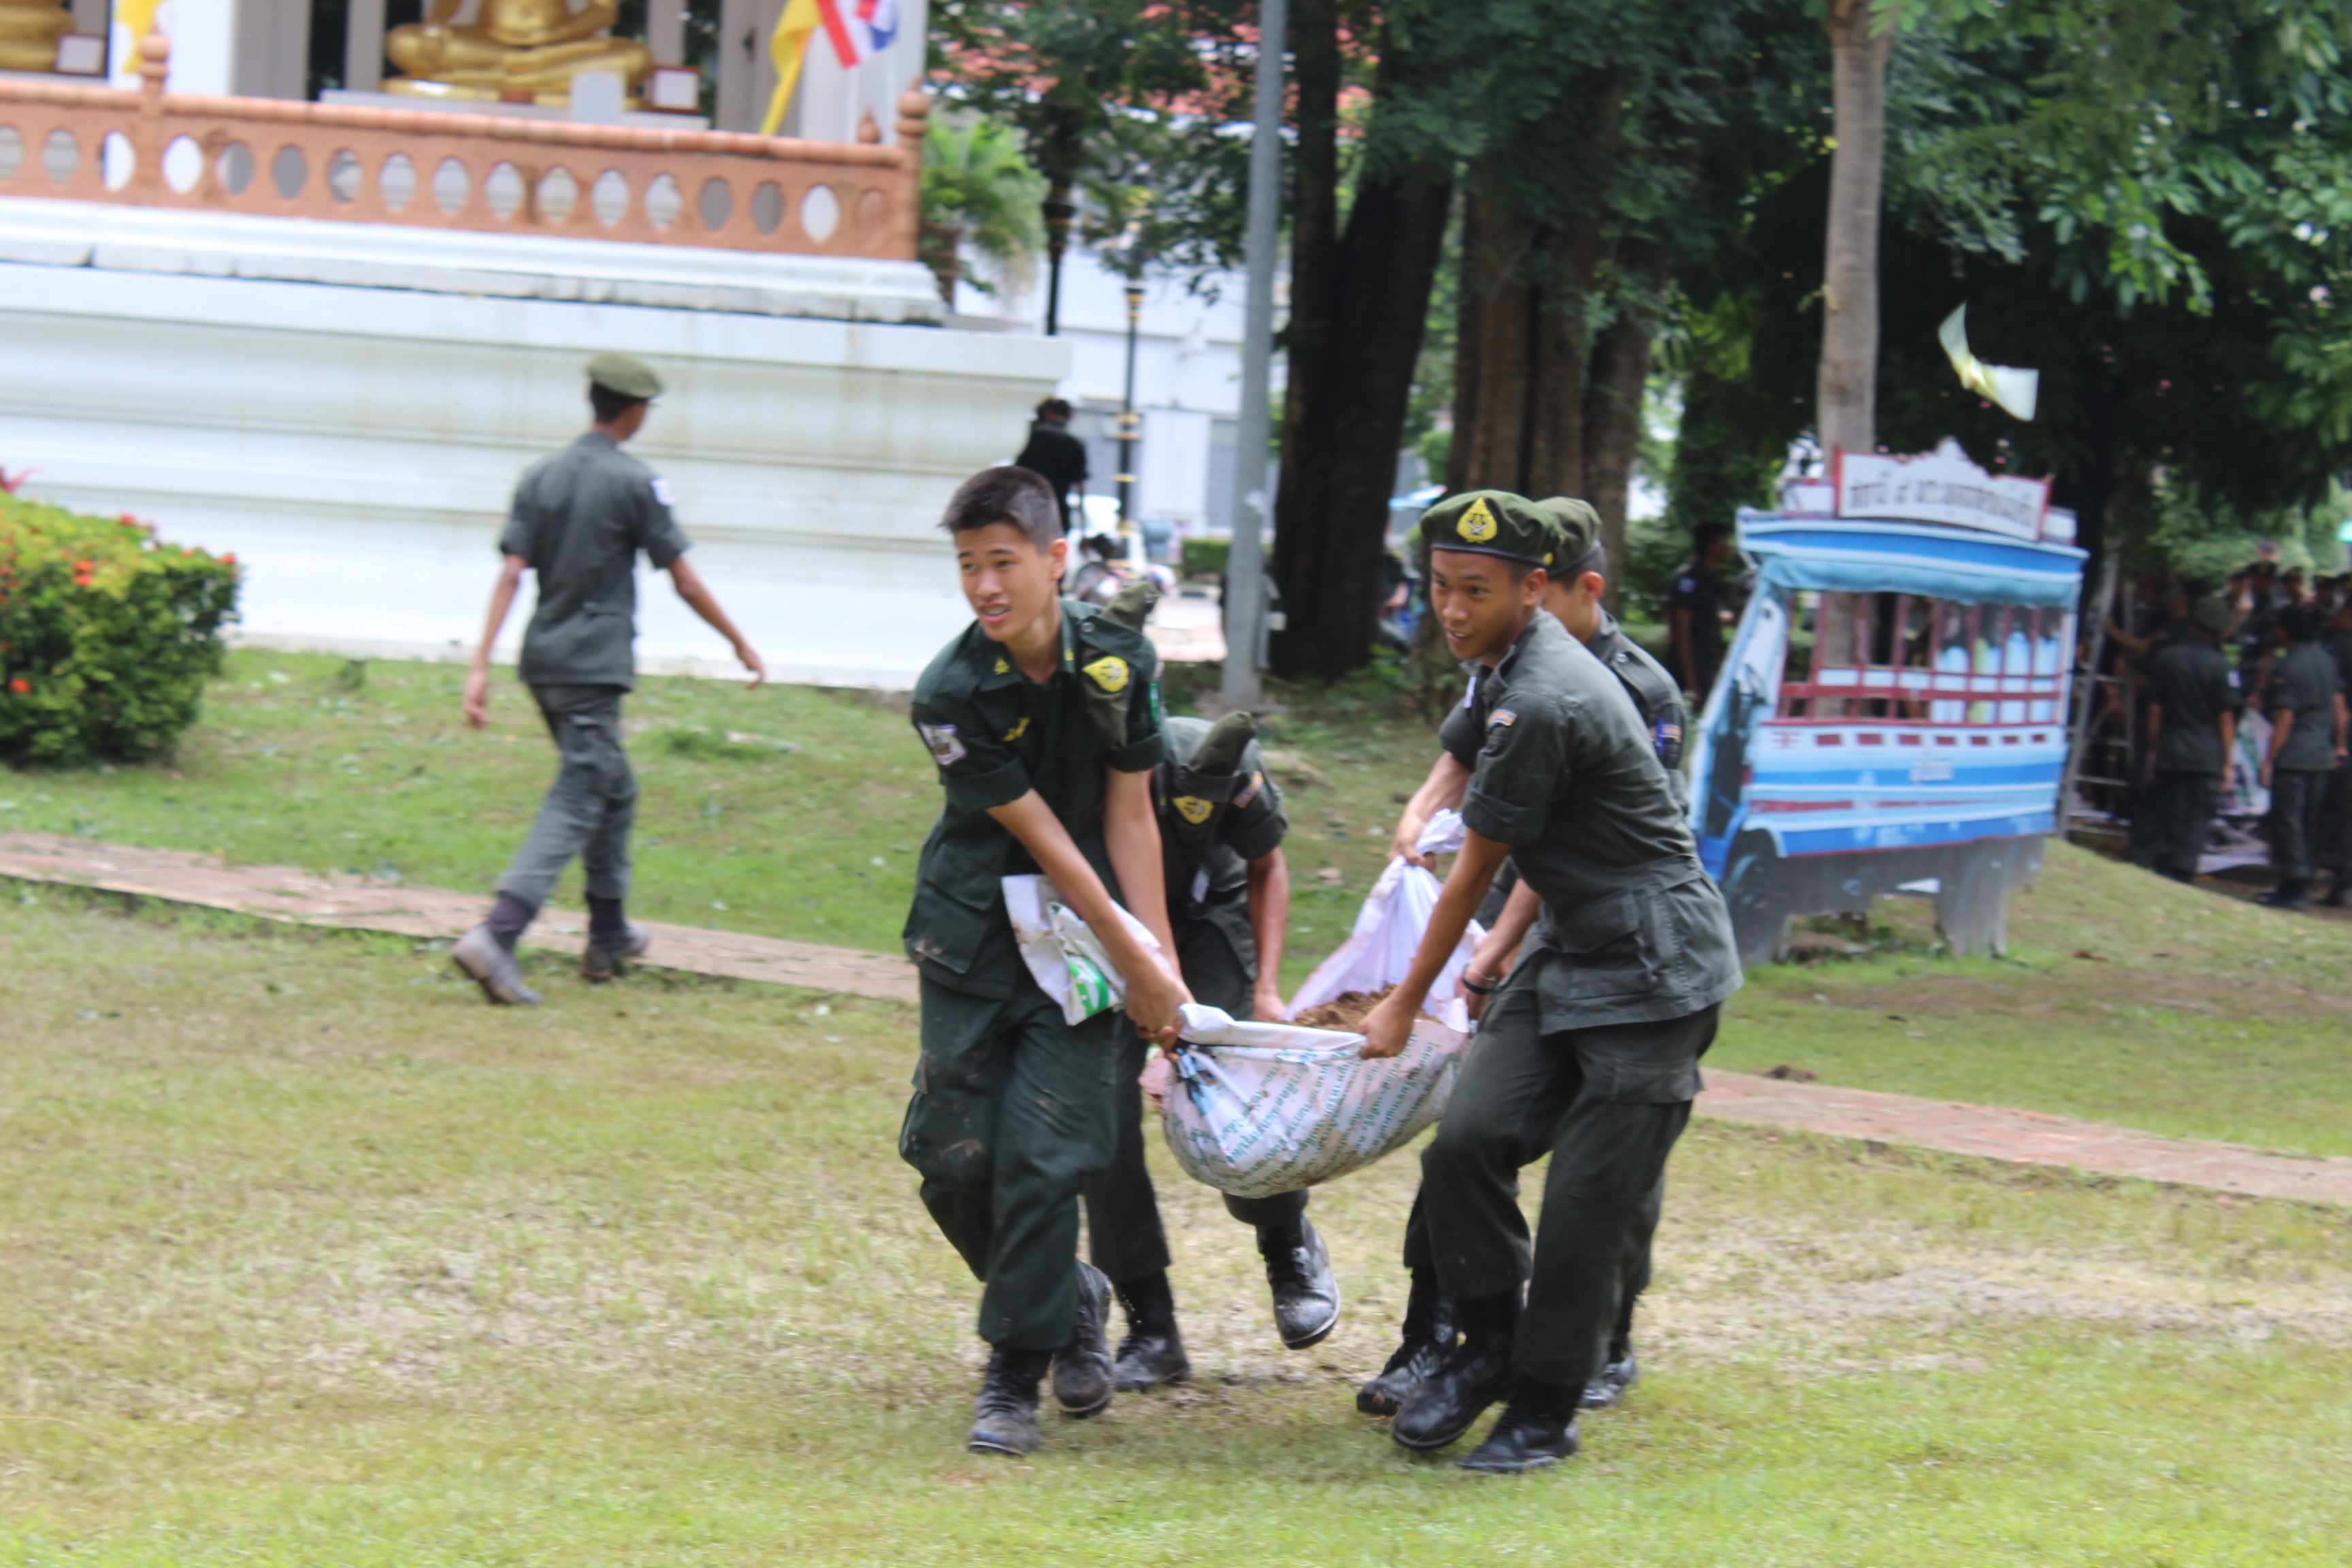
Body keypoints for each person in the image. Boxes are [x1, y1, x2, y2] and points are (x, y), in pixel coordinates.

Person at [1360, 490, 1742, 1473]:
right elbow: (1501, 823)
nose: (1451, 609)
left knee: (1585, 1202)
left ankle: (1544, 1409)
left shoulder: (1546, 695)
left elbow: (1479, 868)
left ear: (1535, 590)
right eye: (1441, 588)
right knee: (1467, 1147)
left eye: (1475, 592)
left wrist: (1404, 1002)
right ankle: (1483, 1345)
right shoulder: (1500, 670)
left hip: (1657, 970)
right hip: (1573, 946)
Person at [897, 465, 1190, 1458]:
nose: (985, 587)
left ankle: (1012, 1378)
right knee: (950, 1163)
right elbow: (1042, 839)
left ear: (1055, 561)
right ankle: (1071, 1302)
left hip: (1083, 956)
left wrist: (1161, 967)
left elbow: (1129, 814)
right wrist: (1134, 951)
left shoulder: (1116, 661)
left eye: (1004, 563)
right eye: (969, 566)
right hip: (978, 940)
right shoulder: (948, 692)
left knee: (1040, 1159)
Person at [451, 353, 764, 1006]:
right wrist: (737, 642)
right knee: (581, 790)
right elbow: (683, 577)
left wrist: (479, 665)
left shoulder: (540, 476)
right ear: (635, 409)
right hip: (594, 667)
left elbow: (511, 574)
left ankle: (608, 934)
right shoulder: (635, 482)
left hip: (544, 663)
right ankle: (497, 935)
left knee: (614, 789)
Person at [1081, 704, 1340, 1392]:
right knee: (1099, 1113)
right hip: (1113, 922)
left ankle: (1286, 1248)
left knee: (1237, 1097)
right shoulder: (1097, 765)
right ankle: (1150, 1326)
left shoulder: (1237, 768)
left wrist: (1267, 992)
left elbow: (1267, 868)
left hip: (1210, 912)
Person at [2137, 595, 2242, 884]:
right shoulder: (2222, 667)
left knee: (2167, 807)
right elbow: (2226, 718)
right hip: (2207, 754)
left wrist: (2154, 749)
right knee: (2198, 816)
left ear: (2193, 622)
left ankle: (2160, 859)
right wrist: (2228, 762)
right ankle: (2183, 867)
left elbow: (2155, 709)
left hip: (2172, 747)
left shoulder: (2167, 657)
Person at [2256, 604, 2350, 911]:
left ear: (2284, 631)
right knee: (2310, 824)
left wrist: (2269, 759)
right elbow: (2340, 709)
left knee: (2287, 821)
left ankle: (2295, 885)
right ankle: (2299, 881)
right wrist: (2338, 745)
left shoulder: (2290, 666)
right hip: (2321, 756)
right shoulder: (2326, 660)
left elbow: (2285, 717)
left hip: (2295, 756)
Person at [1665, 522, 1735, 704]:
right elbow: (1682, 633)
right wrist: (1692, 685)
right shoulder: (1689, 579)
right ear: (1710, 546)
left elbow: (1706, 617)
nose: (1728, 546)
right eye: (1724, 541)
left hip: (1707, 668)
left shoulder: (1710, 578)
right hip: (1689, 672)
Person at [2319, 594, 2352, 908]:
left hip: (2346, 738)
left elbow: (2338, 705)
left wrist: (2340, 745)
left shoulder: (2339, 646)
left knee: (2345, 816)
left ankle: (2344, 883)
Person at [1013, 398, 1090, 534]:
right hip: (1058, 513)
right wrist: (1083, 529)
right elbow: (1080, 487)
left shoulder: (1029, 438)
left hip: (1027, 509)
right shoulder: (1074, 444)